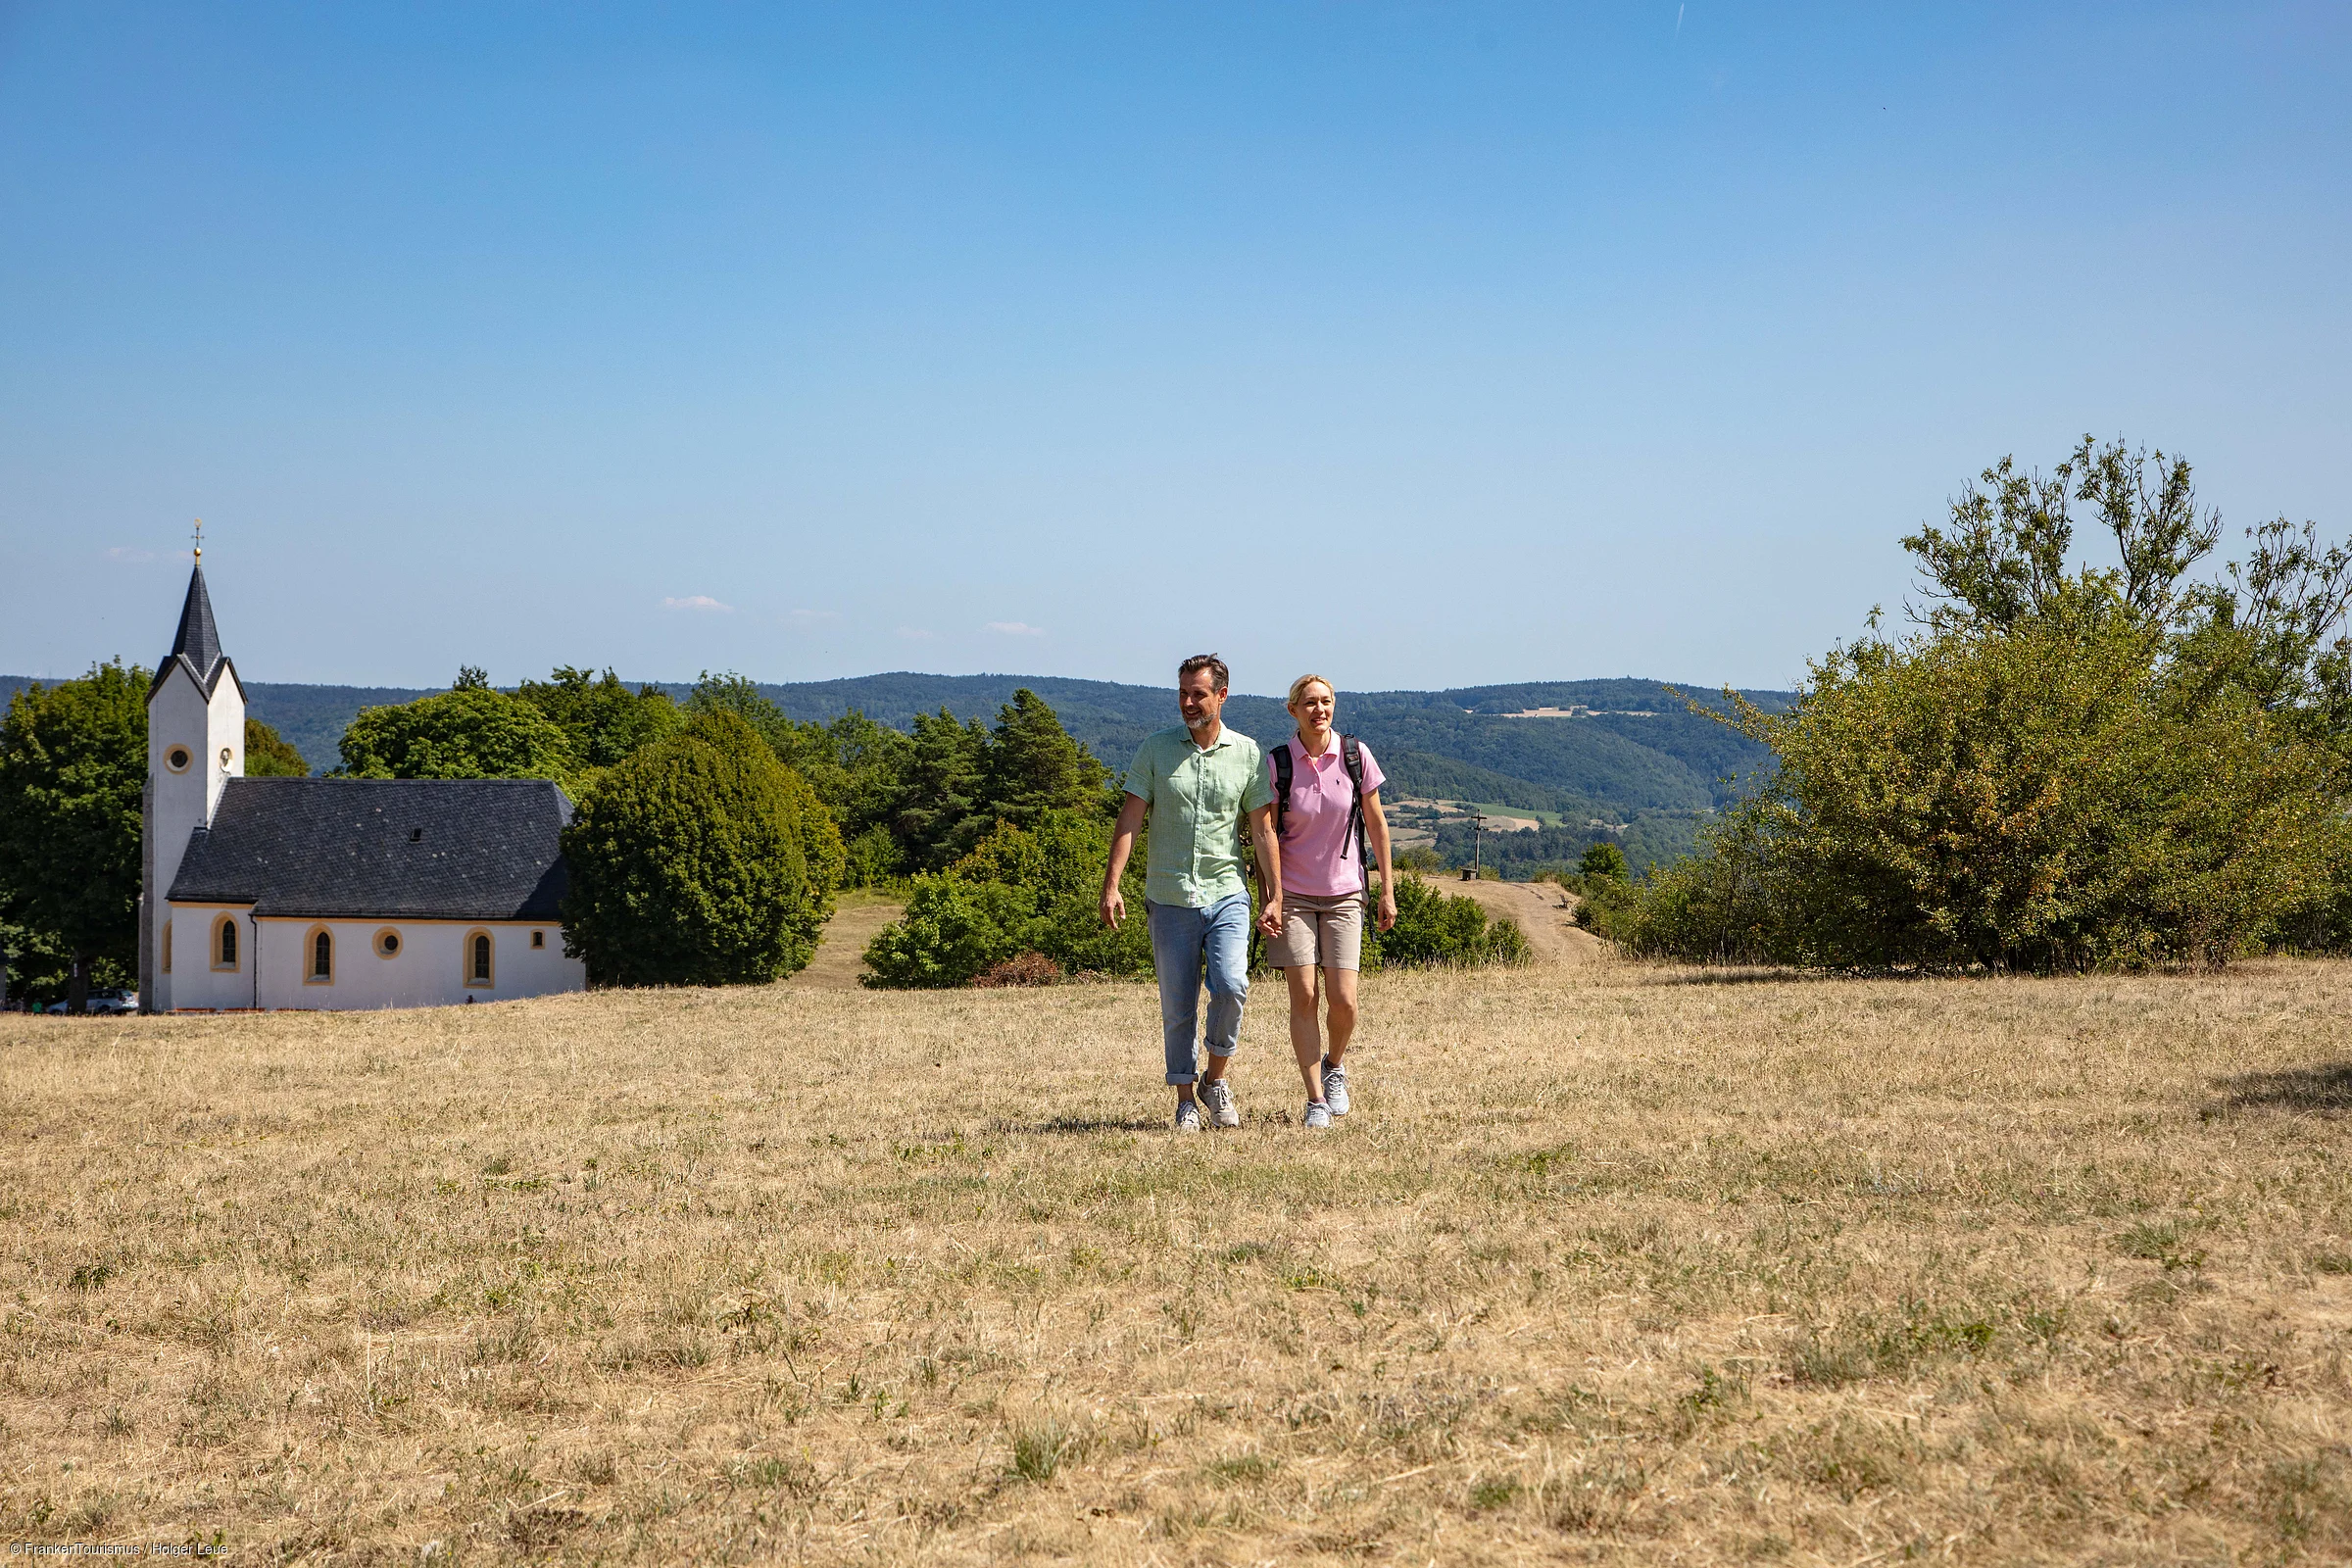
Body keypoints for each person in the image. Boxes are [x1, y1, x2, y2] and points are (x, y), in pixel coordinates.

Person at [1101, 654, 1282, 1131]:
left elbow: (1263, 832)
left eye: (1197, 693)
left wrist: (1275, 896)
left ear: (1221, 695)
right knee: (1177, 1004)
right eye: (1182, 692)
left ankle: (1214, 1080)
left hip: (1226, 892)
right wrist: (1112, 884)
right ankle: (1184, 1099)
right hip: (1168, 894)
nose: (1187, 702)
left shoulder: (1246, 753)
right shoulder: (1156, 750)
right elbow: (1131, 819)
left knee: (1232, 985)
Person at [1263, 675, 1395, 1129]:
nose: (1320, 710)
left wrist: (1386, 891)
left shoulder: (1356, 756)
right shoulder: (1278, 763)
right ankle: (1315, 1098)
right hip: (1294, 896)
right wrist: (1271, 898)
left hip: (1345, 893)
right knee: (1304, 995)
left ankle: (1334, 1064)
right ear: (1293, 710)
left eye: (1327, 702)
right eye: (1310, 703)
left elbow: (1377, 826)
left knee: (1344, 1001)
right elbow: (1266, 837)